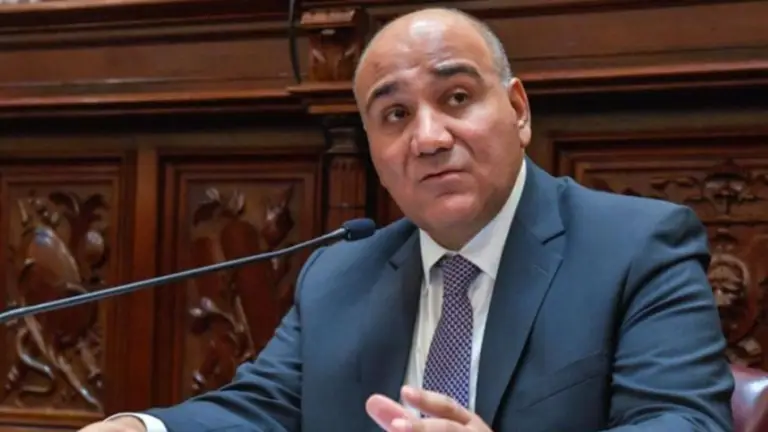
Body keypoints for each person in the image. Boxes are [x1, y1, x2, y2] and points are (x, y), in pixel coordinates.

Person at [80, 7, 734, 432]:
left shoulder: (637, 248)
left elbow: (679, 422)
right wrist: (142, 428)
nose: (428, 138)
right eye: (395, 115)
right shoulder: (339, 273)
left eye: (457, 97)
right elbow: (263, 408)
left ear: (518, 111)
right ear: (373, 148)